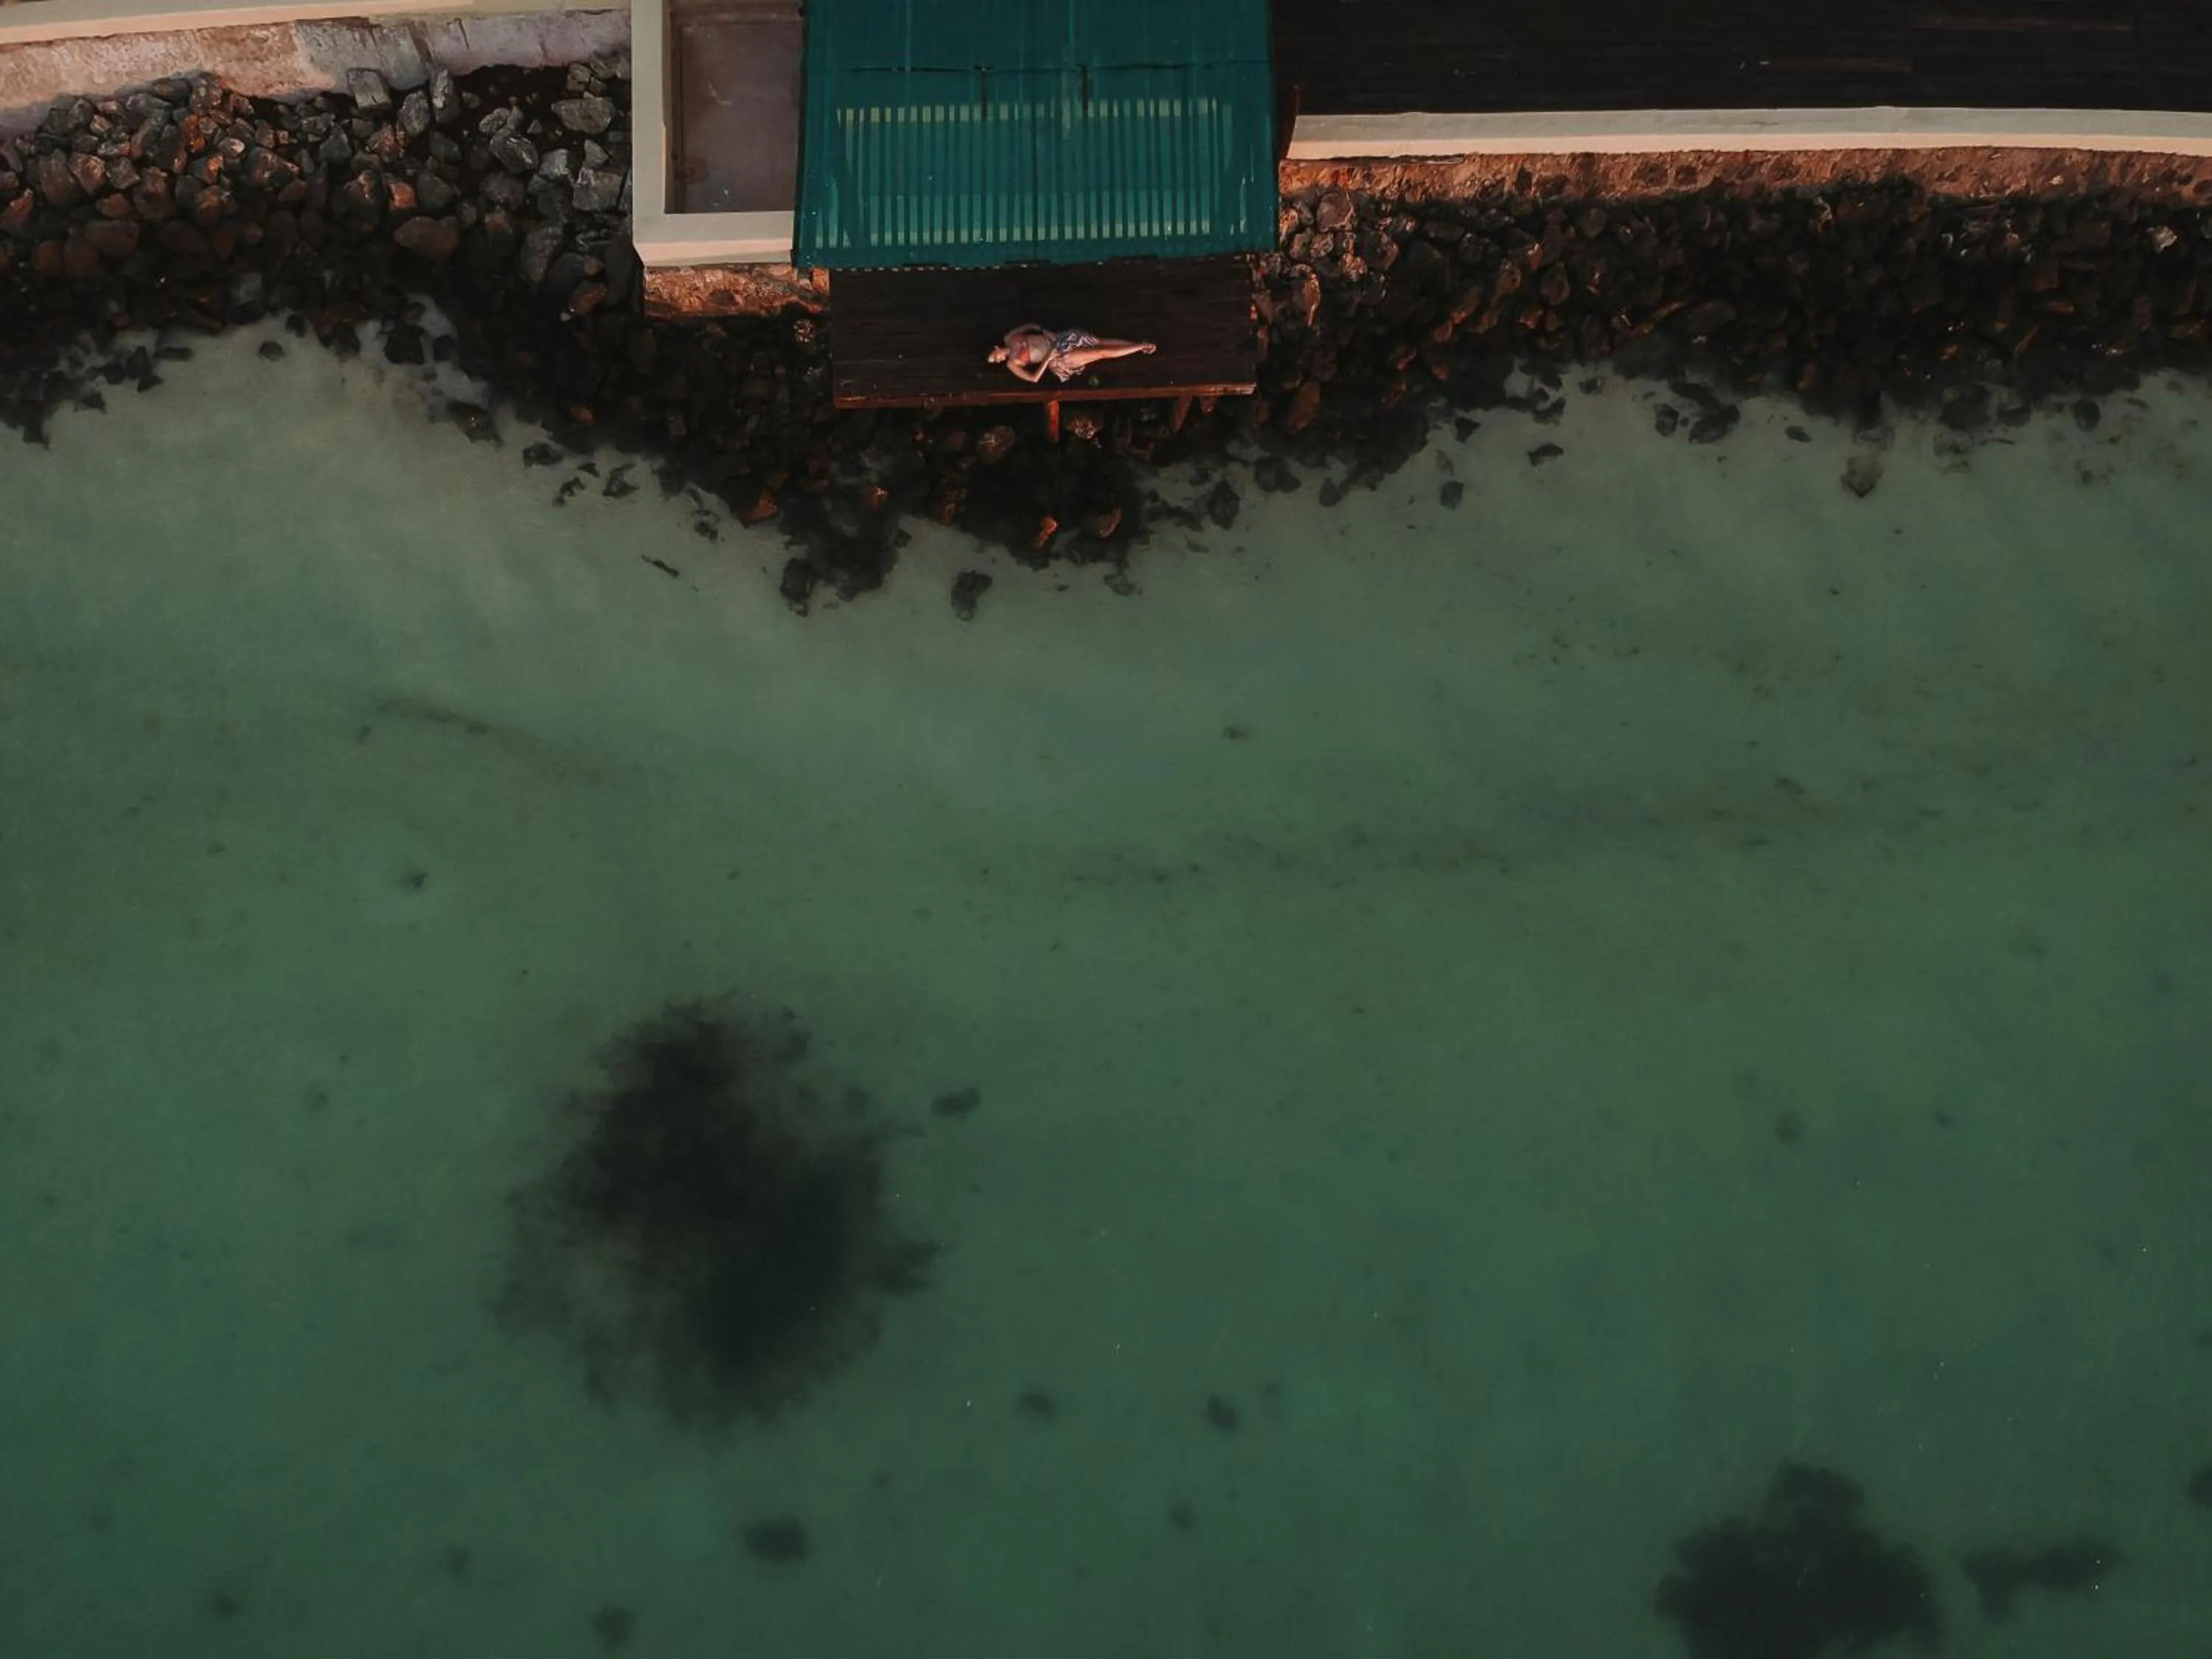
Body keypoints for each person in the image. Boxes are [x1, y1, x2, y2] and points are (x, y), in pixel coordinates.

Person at [988, 324, 1157, 384]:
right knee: (1101, 353)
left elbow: (1030, 325)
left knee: (1098, 341)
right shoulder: (1012, 363)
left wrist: (1044, 331)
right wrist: (1049, 358)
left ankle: (1139, 346)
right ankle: (1140, 346)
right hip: (1058, 359)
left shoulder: (1010, 337)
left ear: (997, 348)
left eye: (995, 357)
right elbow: (1034, 379)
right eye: (996, 362)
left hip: (1058, 340)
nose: (999, 360)